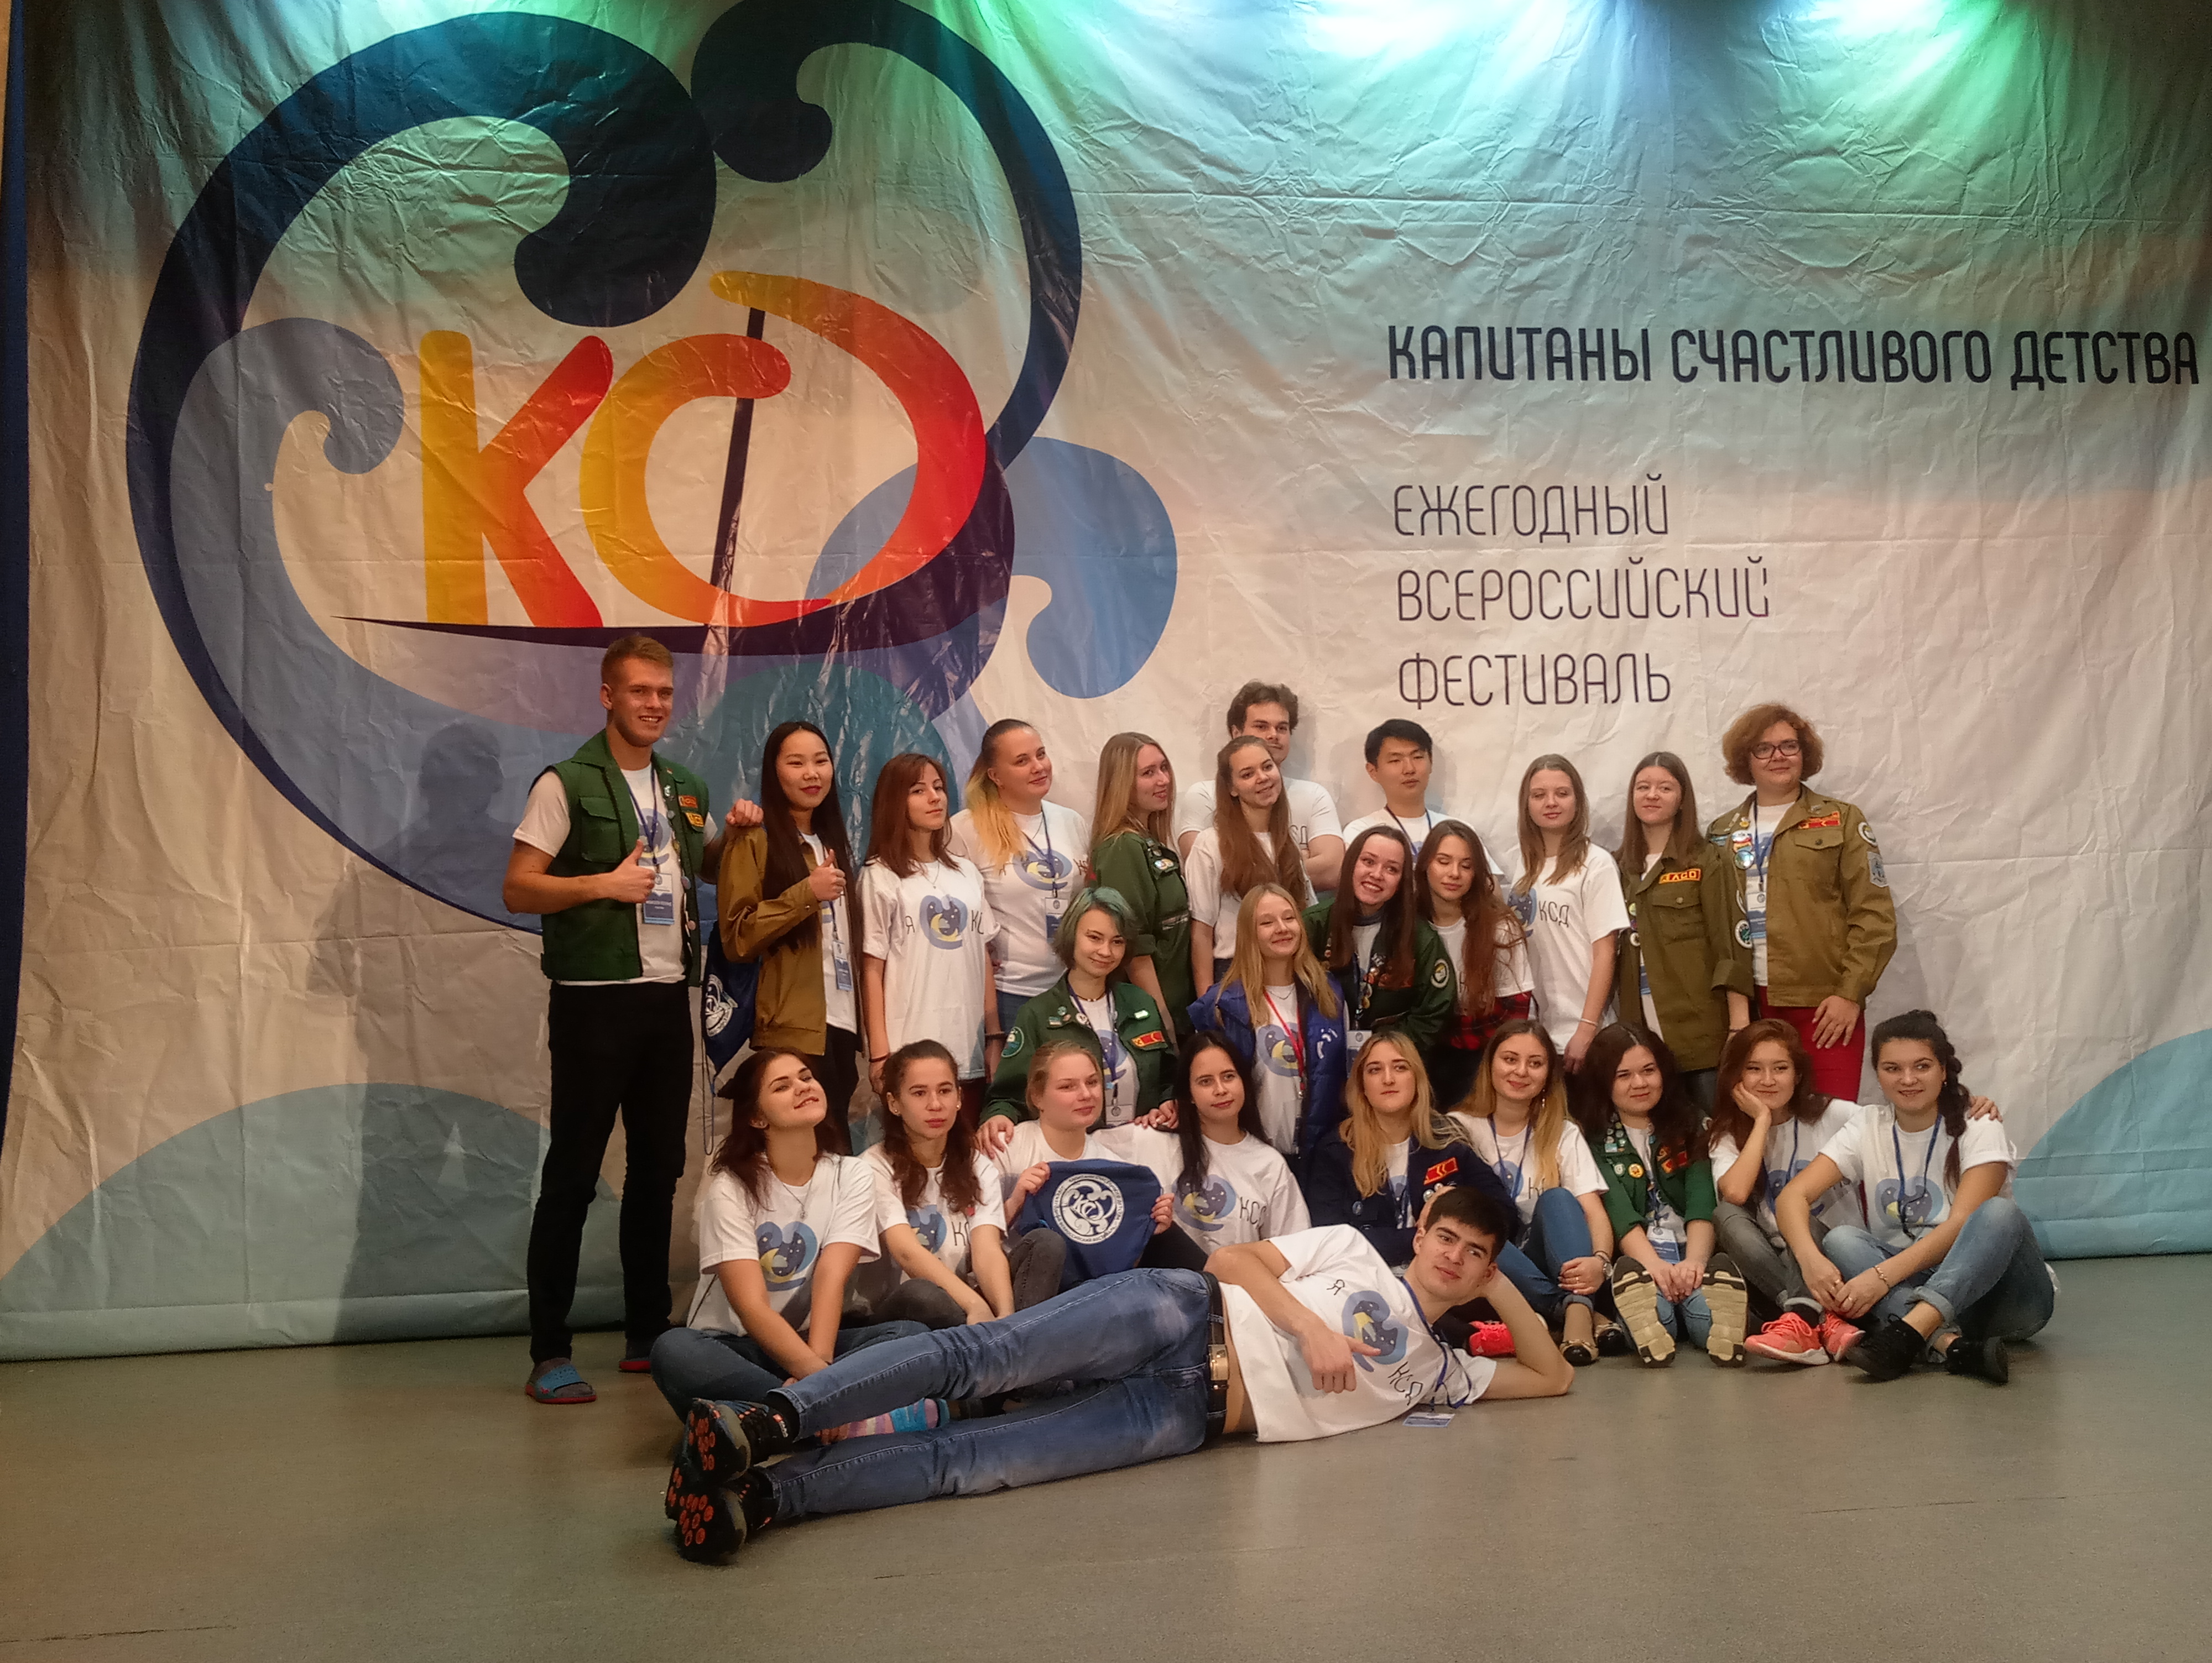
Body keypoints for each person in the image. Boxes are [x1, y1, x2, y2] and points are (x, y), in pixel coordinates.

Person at [661, 1183, 1572, 1561]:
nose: (1453, 1256)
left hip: (1185, 1418)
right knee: (979, 1357)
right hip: (1180, 1312)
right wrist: (1308, 1327)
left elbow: (1553, 1377)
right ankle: (769, 1422)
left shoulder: (1436, 1371)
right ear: (1423, 1231)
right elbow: (1233, 1260)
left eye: (1474, 1253)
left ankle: (767, 1498)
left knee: (977, 1462)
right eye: (1446, 1236)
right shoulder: (1352, 1249)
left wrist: (1504, 1281)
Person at [503, 634, 718, 1403]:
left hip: (666, 997)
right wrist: (600, 885)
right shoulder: (564, 782)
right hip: (593, 1000)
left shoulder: (684, 786)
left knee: (658, 1172)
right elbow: (519, 887)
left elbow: (705, 865)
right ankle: (550, 1350)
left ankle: (647, 1333)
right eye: (639, 692)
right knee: (572, 1174)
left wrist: (744, 833)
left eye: (663, 692)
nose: (654, 704)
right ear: (607, 696)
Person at [646, 1050, 928, 1416]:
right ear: (757, 1118)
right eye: (782, 1087)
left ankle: (774, 1419)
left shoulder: (852, 1175)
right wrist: (823, 1389)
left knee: (910, 1336)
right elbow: (751, 1308)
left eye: (806, 1077)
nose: (802, 1087)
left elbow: (831, 1277)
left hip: (815, 1345)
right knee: (674, 1350)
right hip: (738, 1347)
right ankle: (814, 1415)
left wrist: (818, 1376)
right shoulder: (730, 1188)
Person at [1776, 1011, 2049, 1384]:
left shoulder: (1979, 1123)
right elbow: (1792, 1196)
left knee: (1999, 1213)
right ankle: (1950, 1346)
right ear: (1877, 1074)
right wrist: (1811, 1263)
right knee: (1840, 1240)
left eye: (1922, 1066)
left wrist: (1879, 1277)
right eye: (1893, 1068)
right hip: (1916, 1292)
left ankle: (1908, 1334)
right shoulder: (1867, 1125)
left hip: (2002, 1303)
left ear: (1944, 1070)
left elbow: (1961, 1223)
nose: (1907, 1079)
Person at [1708, 703, 1897, 1101]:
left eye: (1789, 746)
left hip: (1825, 1006)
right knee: (1764, 1121)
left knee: (1829, 1119)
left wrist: (1850, 993)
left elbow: (1874, 917)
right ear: (1746, 759)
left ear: (1804, 753)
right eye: (1763, 748)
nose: (1778, 756)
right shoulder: (1721, 833)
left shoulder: (1842, 819)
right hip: (1750, 1006)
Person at [717, 720, 864, 1154]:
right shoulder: (754, 838)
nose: (811, 774)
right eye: (796, 763)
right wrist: (806, 894)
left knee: (835, 1163)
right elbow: (737, 937)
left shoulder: (832, 842)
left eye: (821, 761)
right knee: (798, 1161)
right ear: (774, 771)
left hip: (841, 1024)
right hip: (791, 1031)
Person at [1572, 1025, 1748, 1366]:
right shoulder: (1592, 1140)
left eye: (1648, 1071)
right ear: (1603, 1082)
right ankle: (1651, 1326)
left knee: (1706, 1317)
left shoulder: (1692, 1124)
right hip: (1637, 1264)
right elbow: (1619, 1212)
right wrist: (1654, 1267)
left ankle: (1723, 1326)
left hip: (1693, 1250)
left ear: (1663, 1072)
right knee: (1653, 1311)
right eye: (1624, 1075)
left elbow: (1701, 1200)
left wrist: (1695, 1264)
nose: (1640, 1083)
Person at [1451, 1018, 1615, 1364]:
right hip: (1489, 1265)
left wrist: (1600, 1262)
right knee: (1482, 1230)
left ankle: (1572, 1313)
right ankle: (1577, 1314)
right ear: (1490, 1065)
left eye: (1535, 1063)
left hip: (1549, 1258)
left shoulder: (1564, 1132)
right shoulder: (1458, 1129)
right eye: (1510, 1059)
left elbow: (1593, 1211)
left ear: (1548, 1074)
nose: (1521, 1072)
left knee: (1558, 1199)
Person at [994, 1041, 1207, 1301]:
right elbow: (972, 1243)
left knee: (1168, 1241)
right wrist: (1016, 1201)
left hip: (1083, 1295)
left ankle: (1220, 1295)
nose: (1086, 1095)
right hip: (1012, 1290)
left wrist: (1148, 1232)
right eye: (1068, 1086)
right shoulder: (1006, 1148)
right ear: (1037, 1096)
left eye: (1093, 1082)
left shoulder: (1112, 1167)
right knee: (1048, 1244)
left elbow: (1116, 1265)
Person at [858, 752, 1001, 1122]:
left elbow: (983, 955)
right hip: (908, 1051)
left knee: (965, 1149)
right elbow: (872, 969)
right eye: (919, 790)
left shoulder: (967, 873)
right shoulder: (880, 875)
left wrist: (993, 1037)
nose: (935, 798)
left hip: (967, 1049)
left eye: (938, 787)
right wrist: (879, 1054)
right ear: (895, 801)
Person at [1307, 1032, 1514, 1267]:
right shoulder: (1336, 1150)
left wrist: (1454, 1200)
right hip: (1362, 1275)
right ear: (1361, 1085)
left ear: (1417, 1078)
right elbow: (1329, 1240)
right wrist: (1427, 1237)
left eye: (1400, 1068)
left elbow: (1505, 1216)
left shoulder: (1447, 1139)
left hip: (1444, 1273)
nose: (1388, 1079)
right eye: (1375, 1070)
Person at [1613, 751, 1744, 1110]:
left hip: (1700, 1035)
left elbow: (1730, 949)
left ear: (1682, 799)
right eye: (1643, 787)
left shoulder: (1707, 861)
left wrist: (1739, 1027)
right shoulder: (1616, 868)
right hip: (1640, 1039)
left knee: (1716, 1133)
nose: (1652, 795)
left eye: (1665, 788)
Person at [985, 885, 1176, 1129]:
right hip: (1072, 1145)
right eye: (1094, 938)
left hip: (1141, 1140)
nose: (1106, 951)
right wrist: (1000, 1117)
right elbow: (1007, 1097)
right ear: (1071, 935)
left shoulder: (1141, 1003)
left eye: (1117, 941)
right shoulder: (1037, 1015)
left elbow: (1169, 1079)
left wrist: (1168, 1103)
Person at [855, 1040, 1015, 1329]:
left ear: (959, 1097)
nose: (935, 1105)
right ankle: (992, 1347)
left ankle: (1012, 1340)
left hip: (966, 1305)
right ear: (894, 1103)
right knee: (923, 1292)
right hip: (898, 1312)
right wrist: (975, 1306)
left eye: (945, 1091)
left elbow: (987, 1251)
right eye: (919, 1093)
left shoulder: (978, 1165)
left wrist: (1006, 1319)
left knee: (1045, 1246)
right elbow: (907, 1253)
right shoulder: (872, 1167)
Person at [947, 719, 1090, 1037]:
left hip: (1071, 987)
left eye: (1041, 754)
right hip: (1008, 993)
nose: (1038, 767)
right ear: (995, 776)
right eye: (1022, 761)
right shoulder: (965, 829)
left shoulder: (1072, 822)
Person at [1187, 883, 1348, 1163]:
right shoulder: (1221, 1004)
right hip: (1252, 1155)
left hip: (1322, 1154)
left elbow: (1346, 1072)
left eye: (1289, 918)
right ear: (1249, 933)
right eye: (1267, 922)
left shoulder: (1329, 993)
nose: (1282, 928)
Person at [1506, 754, 1629, 1074]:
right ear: (1526, 804)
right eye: (1539, 795)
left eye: (1562, 793)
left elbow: (1606, 952)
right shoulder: (1522, 865)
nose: (1551, 802)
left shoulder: (1596, 864)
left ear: (1578, 801)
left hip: (1583, 1034)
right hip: (1537, 1034)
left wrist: (1587, 1027)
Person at [1174, 681, 1344, 893]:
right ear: (1236, 733)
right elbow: (1203, 871)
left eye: (1282, 728)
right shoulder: (1203, 796)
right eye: (1262, 727)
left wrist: (1248, 867)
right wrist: (1295, 861)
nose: (1273, 735)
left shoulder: (1314, 796)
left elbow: (1333, 871)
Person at [1304, 825, 1455, 1059]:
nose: (1377, 874)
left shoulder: (1420, 938)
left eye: (1391, 869)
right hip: (1320, 1056)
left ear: (1401, 881)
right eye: (1368, 861)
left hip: (1391, 1063)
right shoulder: (1313, 925)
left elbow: (1433, 1012)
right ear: (1351, 864)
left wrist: (1384, 1054)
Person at [1415, 820, 1533, 1111]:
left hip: (1481, 1055)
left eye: (1466, 865)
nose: (1454, 873)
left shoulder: (1500, 928)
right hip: (1419, 1050)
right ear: (1426, 865)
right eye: (1444, 861)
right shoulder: (1406, 922)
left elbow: (1515, 1013)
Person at [1185, 736, 1309, 996]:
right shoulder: (1211, 844)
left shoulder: (1287, 842)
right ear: (1232, 788)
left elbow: (1306, 911)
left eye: (1267, 767)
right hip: (1236, 975)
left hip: (1289, 972)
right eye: (1248, 774)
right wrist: (1208, 1003)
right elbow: (1202, 932)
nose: (1263, 778)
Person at [1162, 1034, 1311, 1249]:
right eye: (1206, 1081)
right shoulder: (1160, 1143)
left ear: (1243, 1081)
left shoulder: (1270, 1164)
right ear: (1190, 1094)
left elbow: (1294, 1250)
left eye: (1229, 1077)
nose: (1221, 1090)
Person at [1088, 731, 1195, 1029]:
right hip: (1152, 1013)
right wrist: (1162, 1021)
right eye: (1149, 773)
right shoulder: (1123, 847)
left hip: (1178, 1005)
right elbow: (1134, 948)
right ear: (1121, 784)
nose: (1164, 780)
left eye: (1164, 768)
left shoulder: (1147, 843)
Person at [1342, 719, 1458, 850]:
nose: (1409, 769)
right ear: (1373, 771)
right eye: (1395, 760)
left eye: (1418, 757)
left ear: (1431, 762)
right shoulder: (1361, 832)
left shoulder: (1457, 833)